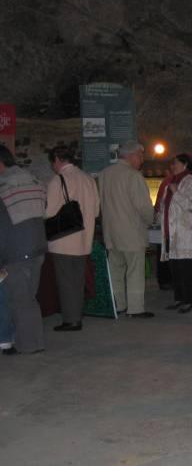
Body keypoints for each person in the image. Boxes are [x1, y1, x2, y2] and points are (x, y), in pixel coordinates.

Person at [98, 140, 155, 318]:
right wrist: (150, 219)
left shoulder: (104, 174)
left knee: (115, 270)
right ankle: (136, 308)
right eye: (140, 155)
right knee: (135, 271)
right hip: (131, 232)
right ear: (131, 156)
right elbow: (143, 206)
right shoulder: (134, 176)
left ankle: (119, 305)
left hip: (111, 232)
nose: (142, 159)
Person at [45, 145, 100, 331]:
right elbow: (96, 210)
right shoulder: (88, 179)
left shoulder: (57, 180)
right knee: (77, 280)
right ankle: (76, 313)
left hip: (63, 240)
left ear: (58, 160)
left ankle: (71, 320)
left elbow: (49, 212)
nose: (53, 166)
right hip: (84, 238)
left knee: (65, 282)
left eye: (52, 162)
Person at [0, 145, 47, 353]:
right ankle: (35, 343)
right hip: (38, 248)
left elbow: (2, 227)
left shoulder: (4, 186)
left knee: (19, 300)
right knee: (29, 298)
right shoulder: (33, 181)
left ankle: (28, 345)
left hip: (15, 251)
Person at [159, 154, 192, 314]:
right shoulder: (172, 181)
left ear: (185, 165)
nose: (172, 166)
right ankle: (179, 298)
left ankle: (190, 300)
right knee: (175, 268)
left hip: (184, 231)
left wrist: (176, 192)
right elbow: (166, 204)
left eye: (175, 163)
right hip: (171, 231)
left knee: (186, 268)